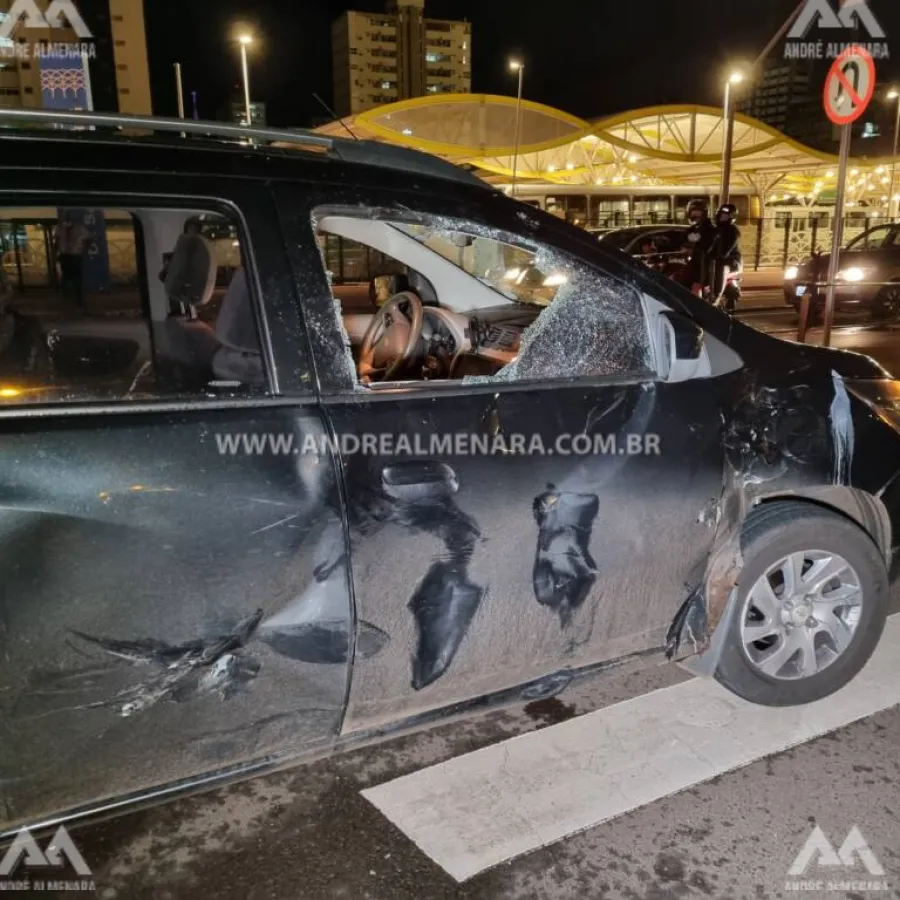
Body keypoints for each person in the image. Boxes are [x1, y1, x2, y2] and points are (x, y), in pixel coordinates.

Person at [53, 211, 90, 310]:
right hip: (65, 254)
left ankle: (78, 298)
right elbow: (56, 241)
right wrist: (56, 252)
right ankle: (67, 297)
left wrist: (84, 250)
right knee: (66, 276)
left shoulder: (79, 228)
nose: (67, 219)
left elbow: (88, 238)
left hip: (75, 254)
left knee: (77, 278)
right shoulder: (59, 228)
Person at [682, 199, 716, 298]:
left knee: (696, 287)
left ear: (704, 213)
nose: (695, 214)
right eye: (693, 211)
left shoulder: (710, 229)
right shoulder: (692, 229)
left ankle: (697, 307)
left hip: (705, 265)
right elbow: (680, 241)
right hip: (692, 263)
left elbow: (706, 247)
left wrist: (691, 250)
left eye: (698, 212)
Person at [711, 203, 742, 310]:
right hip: (716, 260)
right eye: (721, 214)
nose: (722, 216)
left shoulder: (732, 231)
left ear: (731, 217)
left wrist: (719, 255)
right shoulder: (715, 229)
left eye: (725, 215)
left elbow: (727, 249)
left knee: (720, 269)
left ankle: (716, 297)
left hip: (730, 261)